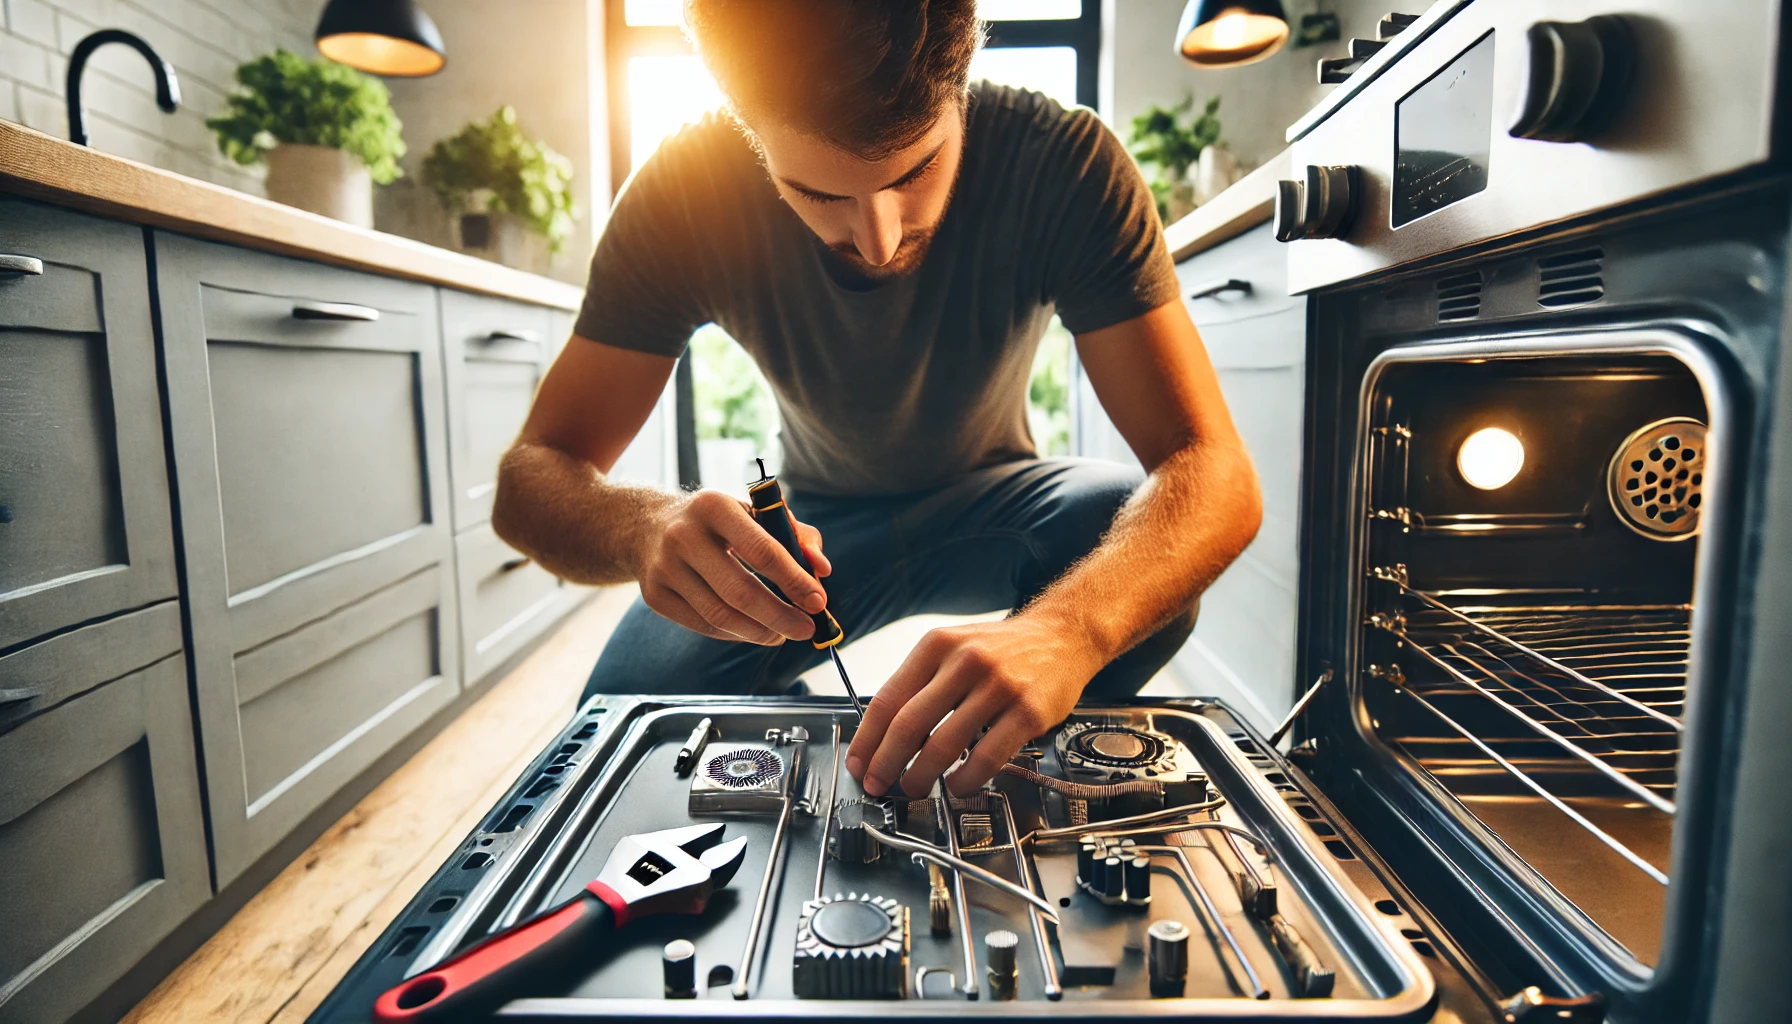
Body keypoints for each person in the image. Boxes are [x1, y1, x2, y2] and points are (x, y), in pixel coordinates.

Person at [491, 0, 1262, 800]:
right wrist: (644, 527)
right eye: (818, 195)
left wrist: (1066, 631)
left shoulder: (1063, 161)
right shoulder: (684, 191)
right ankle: (823, 747)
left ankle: (1011, 762)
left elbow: (1214, 469)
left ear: (959, 88)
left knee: (1124, 537)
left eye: (916, 171)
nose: (881, 239)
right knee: (623, 707)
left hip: (995, 507)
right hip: (810, 537)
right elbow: (532, 477)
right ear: (748, 133)